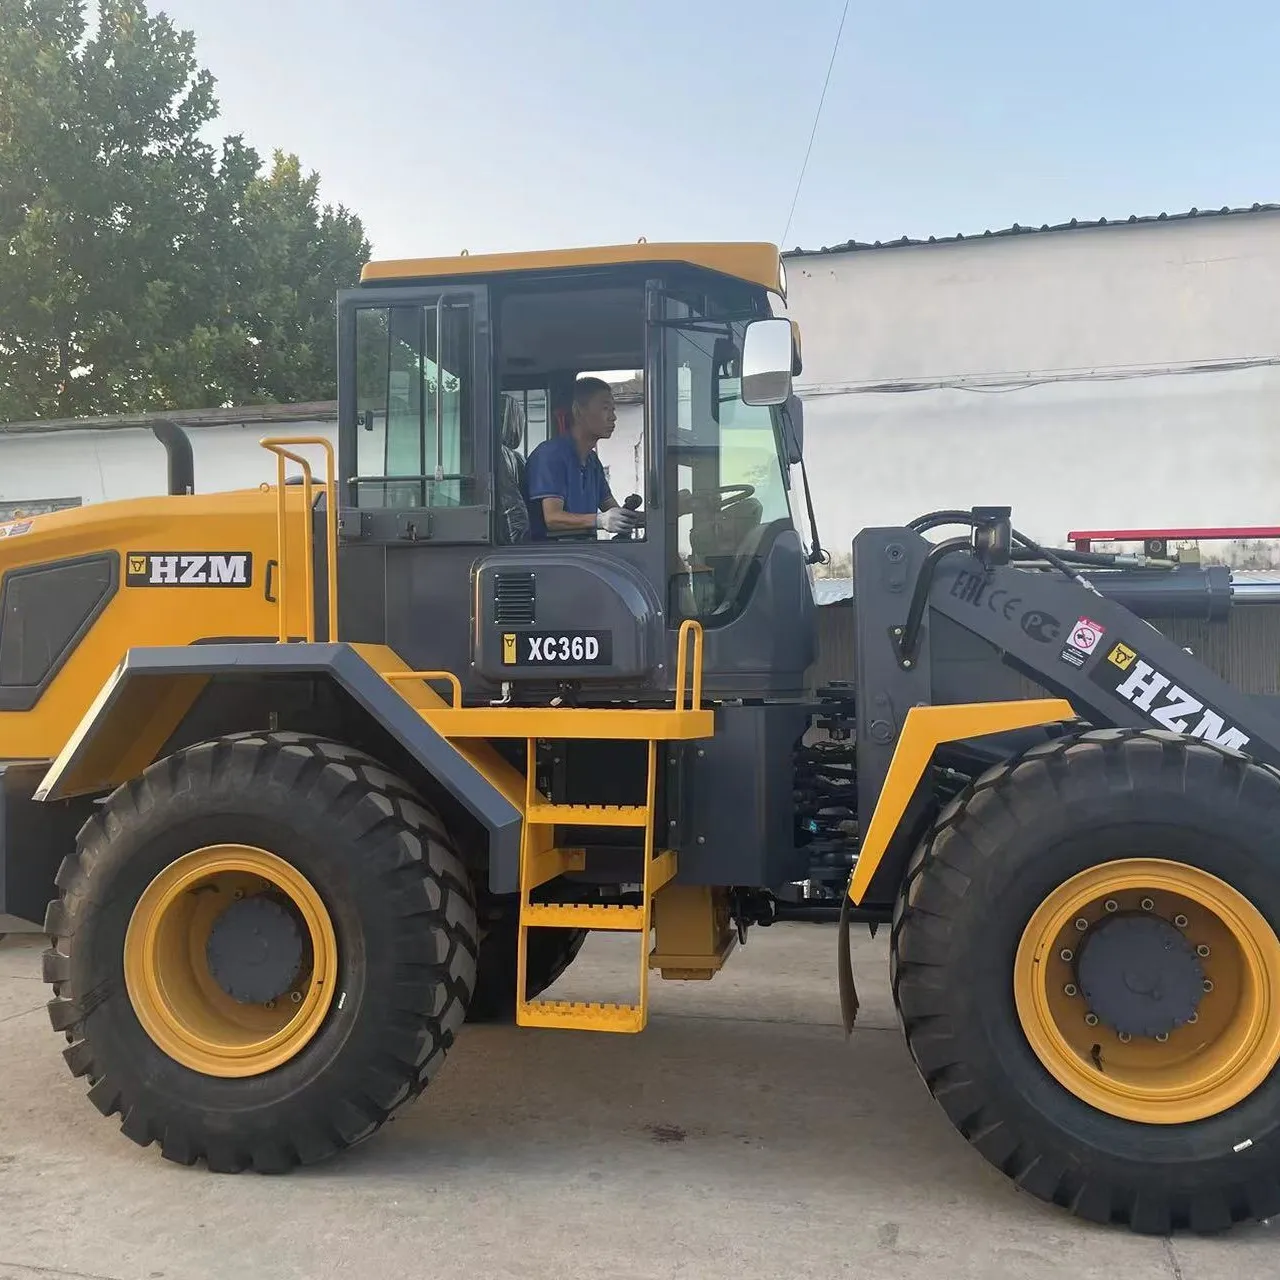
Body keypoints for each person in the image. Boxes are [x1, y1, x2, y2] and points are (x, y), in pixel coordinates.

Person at [524, 376, 642, 540]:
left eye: (613, 410)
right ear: (578, 411)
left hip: (584, 550)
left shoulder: (592, 461)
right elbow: (552, 518)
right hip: (555, 557)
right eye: (605, 408)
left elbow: (613, 510)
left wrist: (663, 515)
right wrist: (599, 520)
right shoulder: (550, 455)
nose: (613, 417)